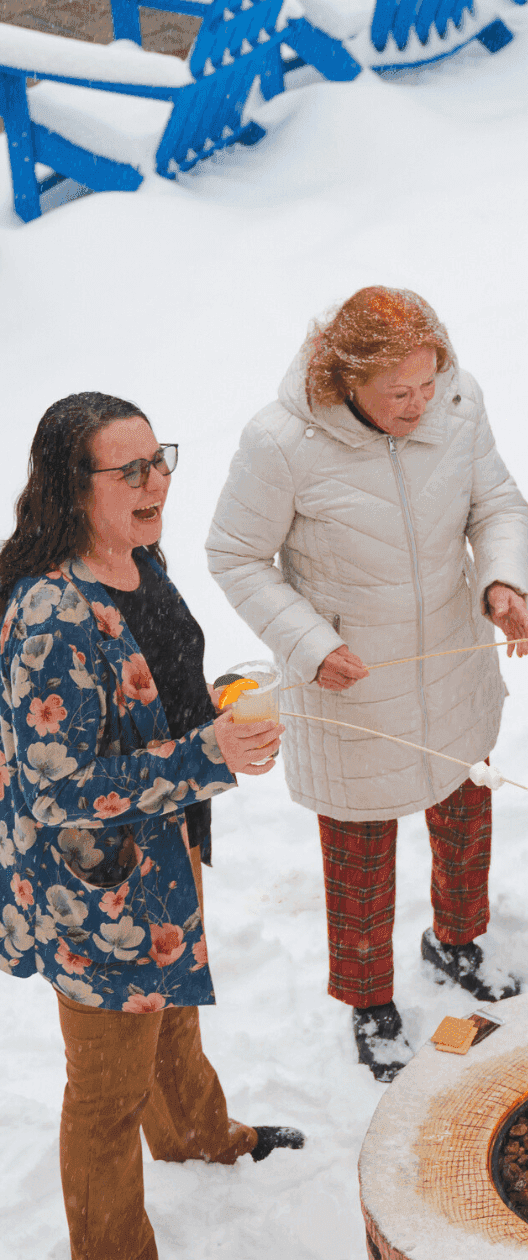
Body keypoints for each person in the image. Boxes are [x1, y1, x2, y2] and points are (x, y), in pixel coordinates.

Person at [0, 393, 301, 1260]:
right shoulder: (50, 615)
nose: (155, 480)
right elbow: (57, 790)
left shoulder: (138, 558)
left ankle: (199, 1138)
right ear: (72, 484)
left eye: (158, 459)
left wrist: (214, 714)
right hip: (94, 885)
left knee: (170, 1015)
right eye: (128, 469)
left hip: (165, 845)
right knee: (103, 1097)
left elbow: (152, 694)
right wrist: (206, 754)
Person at [207, 286, 528, 1082]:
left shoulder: (457, 400)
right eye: (399, 393)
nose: (420, 405)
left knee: (464, 801)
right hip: (348, 681)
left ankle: (456, 938)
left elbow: (496, 503)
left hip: (448, 657)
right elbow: (234, 555)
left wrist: (503, 583)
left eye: (428, 385)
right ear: (345, 380)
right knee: (359, 846)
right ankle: (369, 999)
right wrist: (311, 645)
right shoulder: (280, 442)